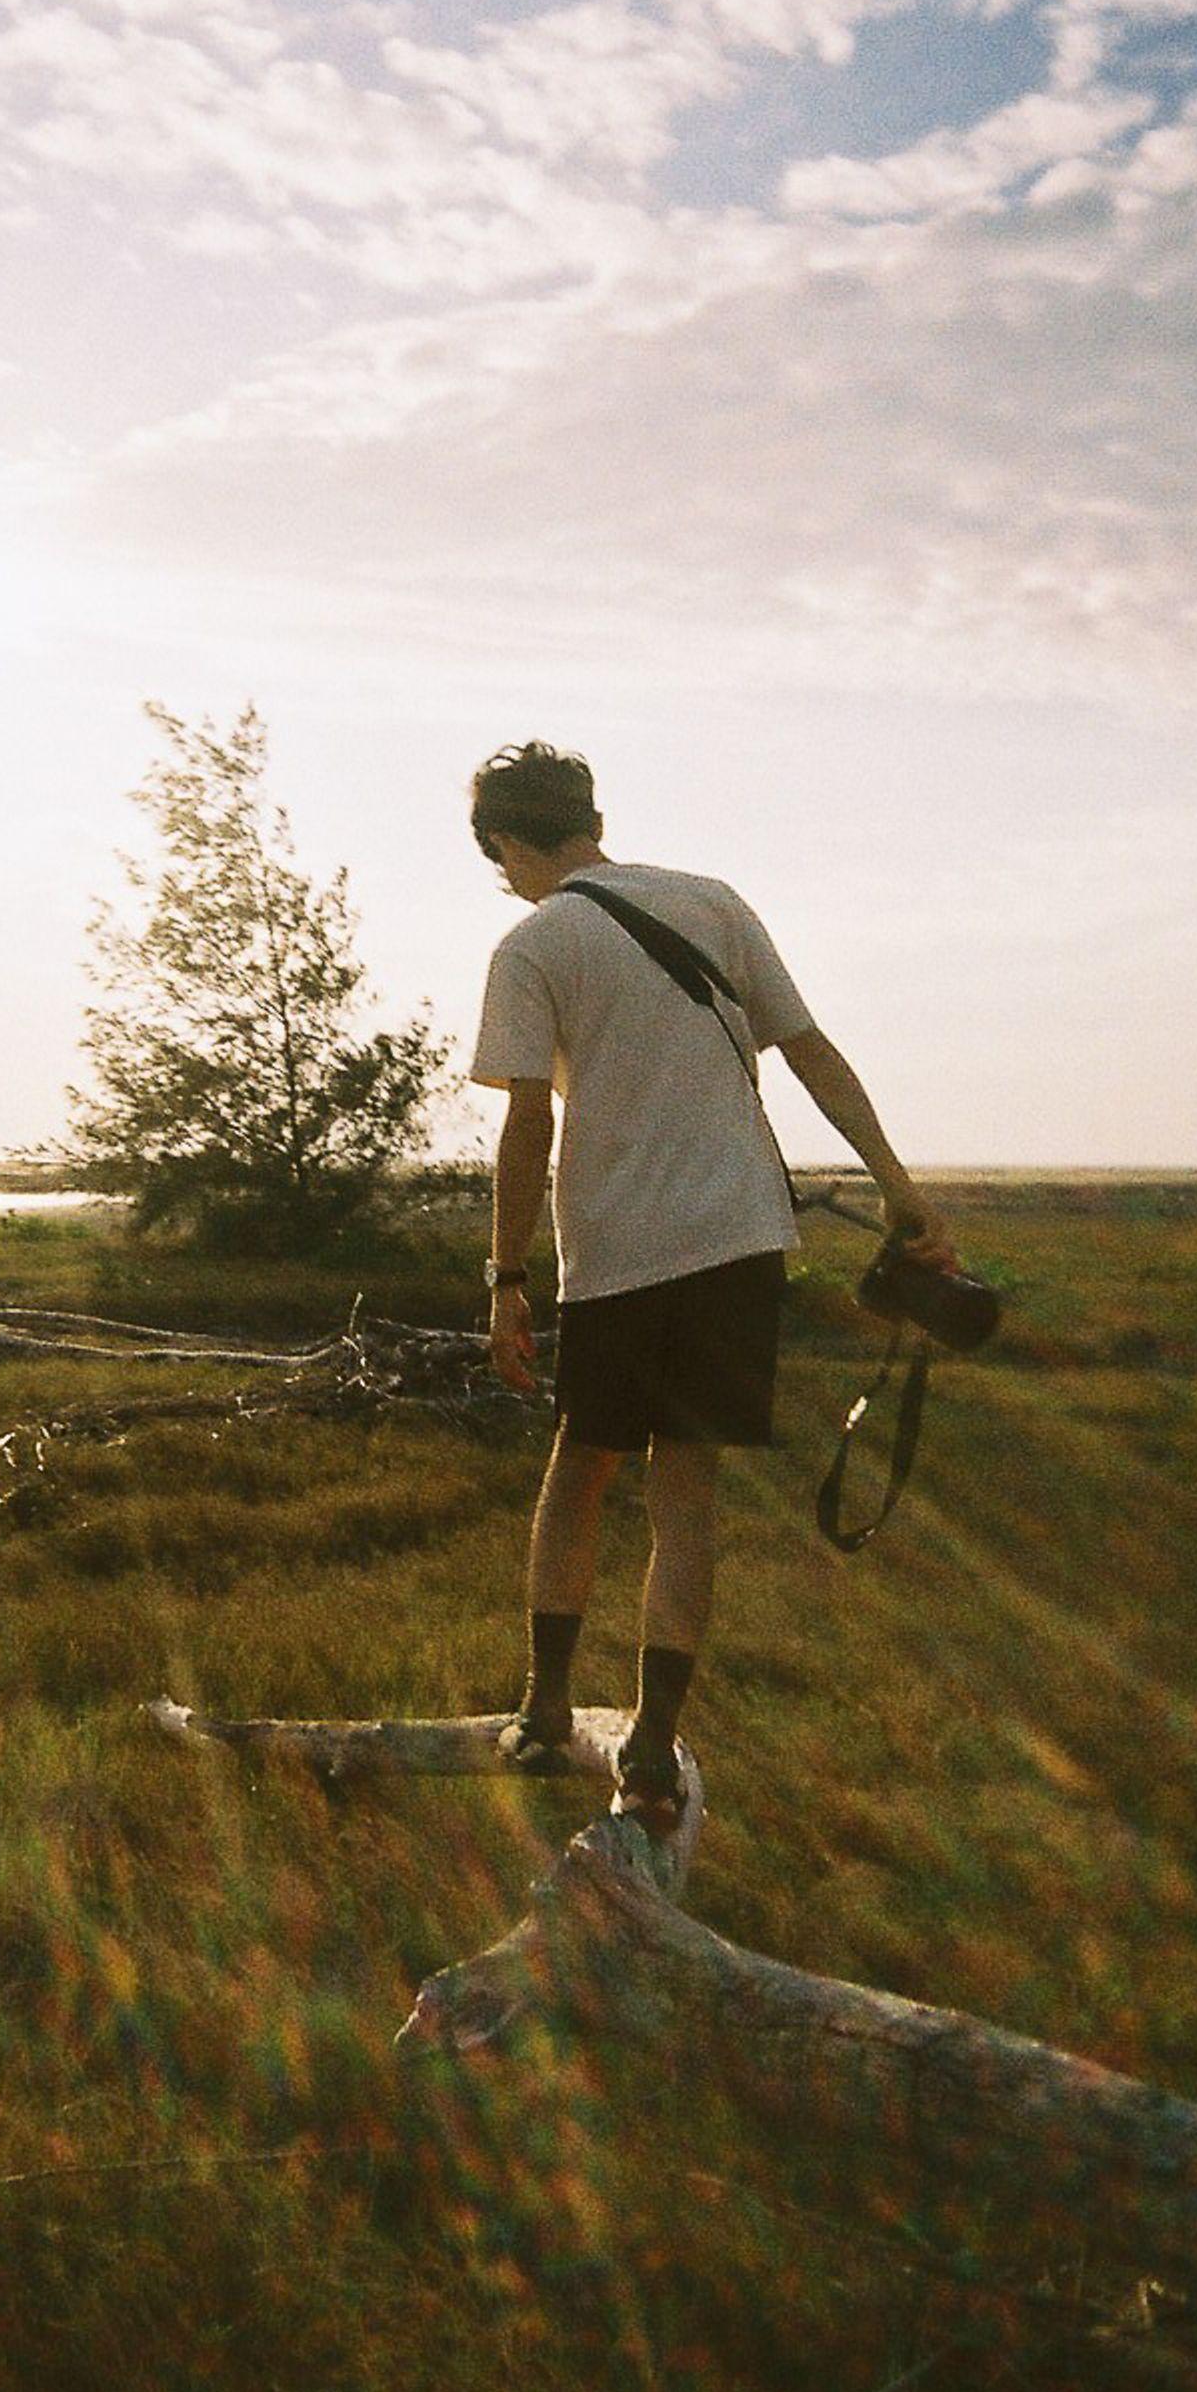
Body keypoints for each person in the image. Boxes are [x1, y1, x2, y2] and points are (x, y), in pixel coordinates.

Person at [469, 743, 953, 1837]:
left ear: (505, 841)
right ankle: (648, 1745)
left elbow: (526, 1123)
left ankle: (546, 1709)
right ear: (587, 817)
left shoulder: (532, 942)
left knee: (580, 1469)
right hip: (737, 1245)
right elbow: (808, 1051)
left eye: (494, 856)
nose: (499, 876)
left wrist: (505, 1281)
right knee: (684, 1495)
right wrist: (898, 1189)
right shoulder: (713, 901)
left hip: (618, 1253)